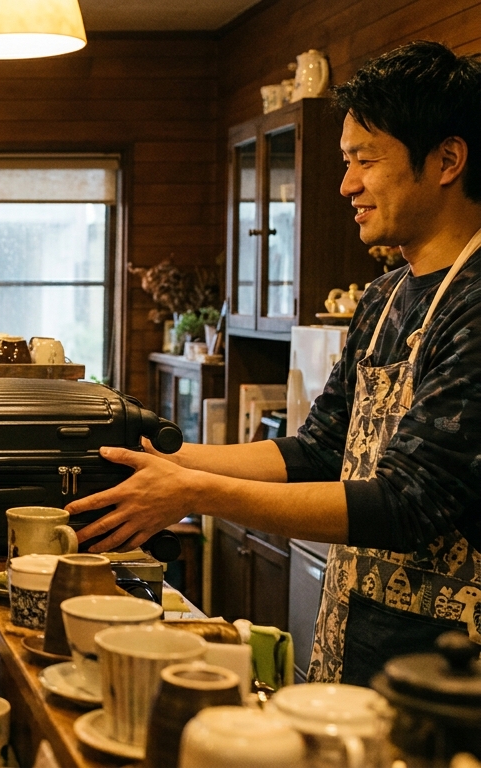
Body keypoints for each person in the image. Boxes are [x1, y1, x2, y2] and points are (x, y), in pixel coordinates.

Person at [65, 41, 481, 686]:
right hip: (356, 635)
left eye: (364, 161)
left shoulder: (475, 303)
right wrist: (164, 459)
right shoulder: (385, 296)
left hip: (453, 676)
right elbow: (316, 451)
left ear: (447, 159)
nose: (347, 185)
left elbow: (408, 503)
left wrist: (195, 491)